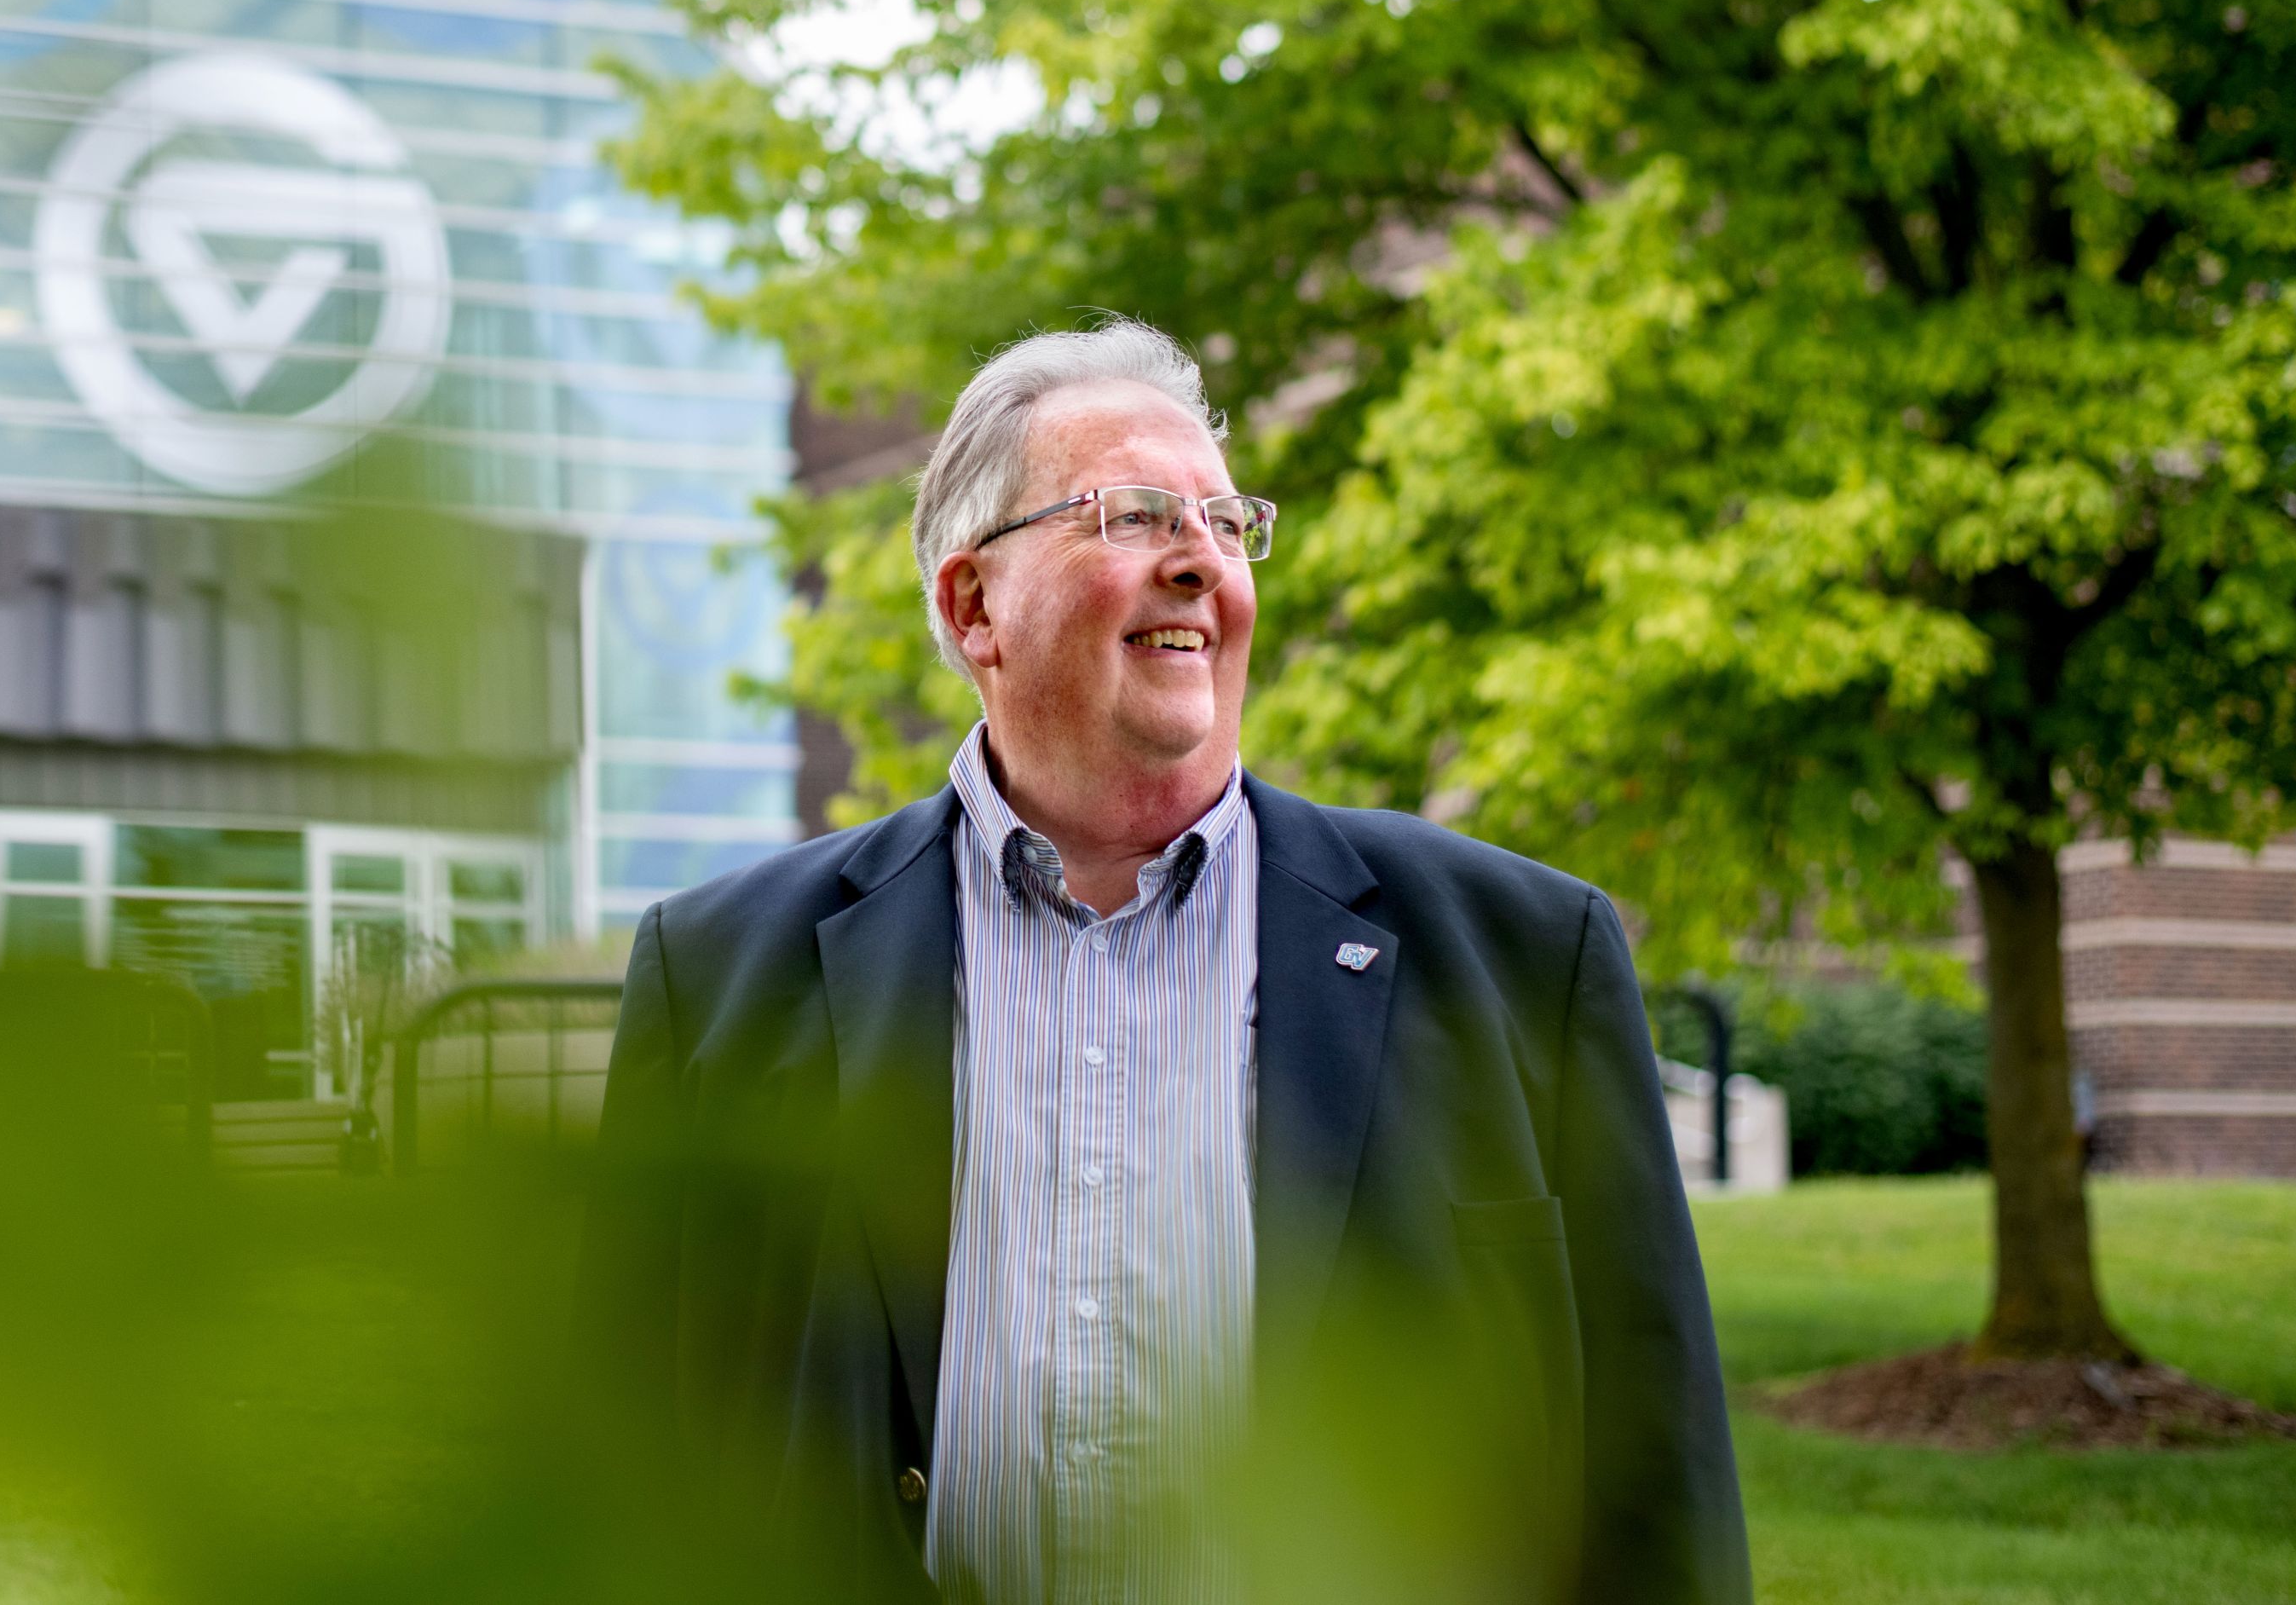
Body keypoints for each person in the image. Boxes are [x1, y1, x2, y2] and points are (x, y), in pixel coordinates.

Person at [581, 320, 1748, 1604]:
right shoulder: (720, 981)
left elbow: (1658, 1488)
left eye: (1226, 521)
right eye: (1134, 515)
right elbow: (617, 1479)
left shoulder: (1524, 959)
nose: (1202, 560)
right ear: (976, 606)